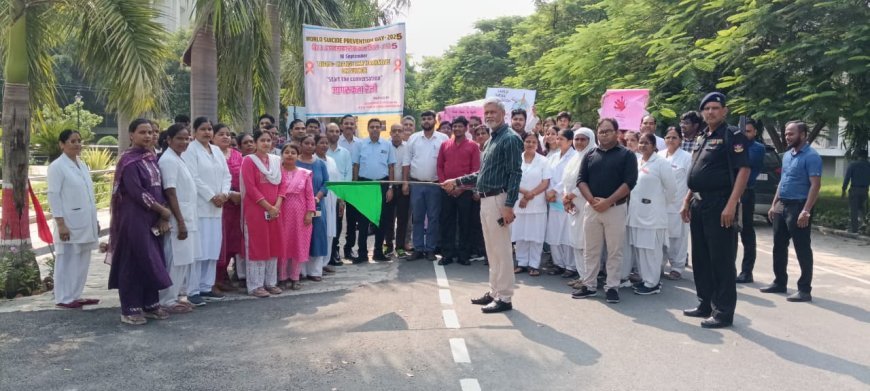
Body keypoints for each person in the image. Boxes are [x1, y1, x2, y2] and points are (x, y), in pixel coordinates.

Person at [442, 97, 523, 314]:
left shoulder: (510, 139)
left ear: (503, 114)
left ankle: (505, 297)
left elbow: (515, 174)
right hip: (486, 199)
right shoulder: (490, 140)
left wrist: (509, 205)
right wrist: (456, 181)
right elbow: (482, 174)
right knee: (491, 250)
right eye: (486, 112)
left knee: (502, 250)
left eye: (493, 112)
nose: (488, 116)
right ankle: (495, 291)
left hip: (499, 200)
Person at [680, 92, 750, 328]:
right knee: (701, 258)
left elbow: (743, 170)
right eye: (706, 108)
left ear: (724, 111)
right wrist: (686, 200)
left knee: (721, 259)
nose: (710, 112)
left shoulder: (732, 135)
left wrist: (731, 204)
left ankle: (723, 312)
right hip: (698, 203)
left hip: (720, 203)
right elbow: (696, 172)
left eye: (715, 108)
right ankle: (705, 304)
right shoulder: (702, 136)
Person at [108, 119, 173, 325]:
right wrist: (162, 210)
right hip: (134, 218)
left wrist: (162, 214)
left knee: (152, 259)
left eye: (150, 132)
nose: (147, 136)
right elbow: (137, 193)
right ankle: (130, 308)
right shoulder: (128, 161)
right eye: (142, 132)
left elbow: (158, 188)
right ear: (131, 135)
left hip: (152, 217)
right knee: (134, 260)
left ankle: (150, 303)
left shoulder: (151, 158)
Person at [572, 118, 638, 304]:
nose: (604, 134)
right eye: (601, 131)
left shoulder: (627, 155)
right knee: (591, 249)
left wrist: (608, 202)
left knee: (614, 250)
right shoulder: (590, 154)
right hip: (592, 208)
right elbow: (581, 180)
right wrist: (592, 200)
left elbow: (629, 183)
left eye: (608, 131)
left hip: (615, 208)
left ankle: (612, 287)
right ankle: (589, 284)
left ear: (617, 133)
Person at [761, 121, 822, 302]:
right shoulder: (787, 155)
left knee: (802, 247)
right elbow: (782, 181)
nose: (787, 137)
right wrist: (774, 204)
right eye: (787, 134)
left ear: (802, 135)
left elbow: (815, 186)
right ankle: (779, 282)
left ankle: (804, 289)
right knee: (778, 245)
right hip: (783, 204)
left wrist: (806, 211)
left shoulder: (811, 156)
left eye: (791, 134)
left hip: (799, 206)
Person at [48, 130, 100, 309]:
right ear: (62, 144)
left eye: (79, 141)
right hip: (69, 221)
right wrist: (61, 224)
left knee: (82, 257)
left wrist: (95, 220)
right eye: (72, 141)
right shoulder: (57, 166)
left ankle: (75, 294)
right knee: (67, 258)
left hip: (86, 220)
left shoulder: (81, 164)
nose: (77, 144)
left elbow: (88, 194)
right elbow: (53, 195)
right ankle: (63, 297)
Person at [182, 117, 231, 306]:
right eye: (203, 129)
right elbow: (193, 178)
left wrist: (224, 194)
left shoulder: (217, 150)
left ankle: (206, 286)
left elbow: (227, 175)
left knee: (212, 249)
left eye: (209, 129)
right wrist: (212, 196)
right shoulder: (190, 150)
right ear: (194, 132)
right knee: (198, 251)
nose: (207, 132)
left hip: (217, 208)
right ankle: (193, 290)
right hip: (200, 207)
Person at [628, 133, 676, 295]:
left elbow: (671, 189)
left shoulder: (661, 163)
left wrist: (659, 204)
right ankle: (645, 279)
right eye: (640, 143)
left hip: (653, 215)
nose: (642, 146)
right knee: (640, 248)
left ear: (654, 145)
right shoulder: (637, 161)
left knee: (651, 251)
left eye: (646, 143)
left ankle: (653, 283)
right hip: (636, 213)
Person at [156, 124, 197, 314]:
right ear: (169, 140)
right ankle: (167, 300)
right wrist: (179, 221)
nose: (184, 142)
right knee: (175, 260)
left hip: (187, 215)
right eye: (180, 138)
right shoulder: (168, 161)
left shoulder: (179, 159)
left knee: (183, 259)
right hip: (177, 218)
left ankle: (175, 297)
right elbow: (170, 191)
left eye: (187, 138)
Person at [241, 130, 285, 297]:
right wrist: (268, 207)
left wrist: (277, 206)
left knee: (273, 245)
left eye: (269, 140)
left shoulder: (275, 161)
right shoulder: (249, 161)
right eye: (262, 140)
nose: (266, 143)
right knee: (257, 246)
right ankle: (255, 285)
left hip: (275, 210)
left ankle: (270, 282)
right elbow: (251, 188)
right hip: (256, 210)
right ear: (256, 142)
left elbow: (282, 184)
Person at [436, 116, 481, 266]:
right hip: (447, 190)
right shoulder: (445, 145)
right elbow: (440, 166)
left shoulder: (473, 146)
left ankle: (463, 254)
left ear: (466, 128)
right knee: (447, 222)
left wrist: (461, 188)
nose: (457, 129)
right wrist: (445, 185)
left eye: (460, 126)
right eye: (455, 126)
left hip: (465, 191)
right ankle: (447, 254)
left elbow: (475, 170)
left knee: (465, 223)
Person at [405, 110, 448, 261]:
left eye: (429, 118)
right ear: (421, 121)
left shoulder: (443, 138)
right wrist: (405, 182)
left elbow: (445, 162)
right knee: (417, 217)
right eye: (424, 119)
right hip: (416, 183)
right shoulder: (413, 138)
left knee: (433, 217)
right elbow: (406, 162)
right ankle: (418, 248)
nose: (426, 121)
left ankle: (430, 248)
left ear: (434, 121)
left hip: (435, 185)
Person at [351, 118, 397, 263]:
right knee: (363, 221)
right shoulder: (360, 144)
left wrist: (390, 187)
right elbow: (356, 166)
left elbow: (391, 167)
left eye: (378, 127)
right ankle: (362, 254)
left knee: (381, 220)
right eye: (372, 127)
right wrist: (356, 186)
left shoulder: (387, 144)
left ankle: (378, 252)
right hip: (364, 185)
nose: (375, 129)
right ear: (368, 128)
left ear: (381, 128)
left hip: (382, 185)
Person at [511, 133, 551, 276]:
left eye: (533, 142)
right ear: (523, 143)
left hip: (537, 203)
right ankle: (521, 263)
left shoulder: (544, 161)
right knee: (520, 235)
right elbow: (512, 179)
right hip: (518, 202)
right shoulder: (516, 159)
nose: (530, 144)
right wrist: (524, 194)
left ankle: (534, 264)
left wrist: (529, 195)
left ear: (537, 144)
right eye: (527, 141)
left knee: (536, 236)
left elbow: (545, 182)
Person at [562, 128, 597, 289]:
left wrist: (572, 196)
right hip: (573, 205)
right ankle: (581, 275)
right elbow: (566, 180)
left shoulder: (593, 157)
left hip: (585, 203)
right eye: (577, 139)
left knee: (586, 243)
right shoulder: (574, 158)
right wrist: (566, 197)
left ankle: (589, 279)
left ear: (590, 140)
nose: (579, 142)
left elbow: (588, 181)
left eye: (583, 139)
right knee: (575, 241)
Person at [278, 143, 315, 290]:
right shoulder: (277, 172)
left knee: (298, 244)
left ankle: (295, 277)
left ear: (297, 155)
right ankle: (281, 277)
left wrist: (309, 213)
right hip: (281, 212)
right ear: (282, 155)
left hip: (300, 214)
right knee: (282, 244)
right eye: (286, 152)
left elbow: (309, 195)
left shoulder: (305, 173)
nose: (289, 155)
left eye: (293, 152)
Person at [659, 127, 692, 281]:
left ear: (680, 140)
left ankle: (677, 267)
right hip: (660, 205)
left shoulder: (686, 157)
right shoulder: (659, 156)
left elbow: (691, 182)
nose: (670, 140)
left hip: (678, 204)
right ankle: (659, 265)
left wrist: (687, 202)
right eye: (668, 137)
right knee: (661, 237)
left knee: (677, 238)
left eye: (674, 137)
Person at [736, 119, 767, 283]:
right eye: (743, 131)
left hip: (746, 193)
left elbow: (743, 163)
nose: (745, 134)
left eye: (748, 131)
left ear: (755, 132)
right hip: (731, 192)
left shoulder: (757, 148)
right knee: (729, 232)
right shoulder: (737, 146)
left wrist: (737, 146)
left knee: (746, 232)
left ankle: (747, 271)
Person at [214, 124, 244, 292]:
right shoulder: (211, 155)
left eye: (228, 134)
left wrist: (240, 195)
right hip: (219, 204)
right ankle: (215, 278)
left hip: (237, 205)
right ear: (213, 137)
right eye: (221, 134)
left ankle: (225, 274)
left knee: (233, 241)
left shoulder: (238, 156)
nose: (225, 137)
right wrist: (229, 193)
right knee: (219, 242)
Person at [295, 136, 329, 279]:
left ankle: (315, 272)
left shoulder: (320, 164)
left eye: (312, 144)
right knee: (300, 236)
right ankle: (300, 272)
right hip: (297, 206)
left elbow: (326, 183)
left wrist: (317, 197)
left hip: (317, 204)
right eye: (306, 143)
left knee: (317, 236)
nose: (309, 146)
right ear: (300, 145)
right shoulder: (294, 162)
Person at [545, 128, 578, 278]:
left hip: (566, 198)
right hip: (552, 199)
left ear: (570, 141)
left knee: (567, 233)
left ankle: (570, 266)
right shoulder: (553, 156)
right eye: (557, 138)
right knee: (554, 231)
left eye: (561, 139)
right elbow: (548, 175)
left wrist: (555, 191)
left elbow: (570, 178)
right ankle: (558, 263)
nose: (557, 141)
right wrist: (549, 192)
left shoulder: (575, 157)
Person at [326, 122, 352, 265]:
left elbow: (347, 174)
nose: (334, 134)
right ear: (326, 133)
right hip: (324, 194)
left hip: (339, 195)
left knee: (338, 223)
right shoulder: (322, 151)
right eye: (331, 131)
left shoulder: (345, 153)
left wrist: (342, 196)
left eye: (337, 131)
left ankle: (335, 250)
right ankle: (326, 252)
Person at [315, 135, 341, 273]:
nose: (324, 145)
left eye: (326, 143)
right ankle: (316, 264)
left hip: (332, 198)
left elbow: (336, 179)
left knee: (330, 230)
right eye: (321, 143)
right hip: (320, 198)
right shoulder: (313, 161)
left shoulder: (331, 160)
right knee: (320, 230)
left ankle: (325, 262)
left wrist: (340, 200)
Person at [384, 124, 410, 257]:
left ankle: (399, 246)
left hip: (403, 187)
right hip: (389, 187)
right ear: (390, 132)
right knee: (388, 217)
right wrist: (390, 186)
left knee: (402, 218)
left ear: (404, 132)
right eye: (394, 131)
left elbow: (407, 165)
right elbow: (388, 167)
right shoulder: (385, 145)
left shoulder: (407, 147)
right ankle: (388, 245)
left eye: (400, 131)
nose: (397, 133)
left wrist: (405, 184)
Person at [842, 149, 870, 234]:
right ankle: (864, 225)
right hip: (865, 189)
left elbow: (847, 178)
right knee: (862, 208)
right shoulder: (869, 165)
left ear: (858, 156)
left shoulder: (853, 164)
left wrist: (844, 189)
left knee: (854, 209)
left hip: (855, 189)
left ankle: (854, 230)